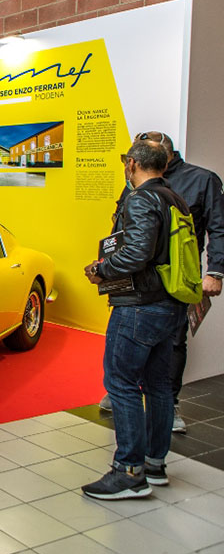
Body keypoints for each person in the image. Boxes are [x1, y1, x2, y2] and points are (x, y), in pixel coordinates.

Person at [81, 141, 190, 500]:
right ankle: (155, 463)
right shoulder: (175, 197)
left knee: (122, 383)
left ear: (132, 164)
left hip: (139, 306)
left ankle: (128, 472)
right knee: (158, 385)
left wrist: (102, 270)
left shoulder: (142, 198)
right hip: (168, 304)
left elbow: (138, 251)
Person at [98, 131, 224, 434]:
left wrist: (215, 271)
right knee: (140, 353)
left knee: (168, 348)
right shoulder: (140, 185)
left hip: (172, 282)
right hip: (137, 283)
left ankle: (139, 449)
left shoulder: (200, 180)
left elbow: (218, 228)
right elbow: (122, 228)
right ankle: (152, 451)